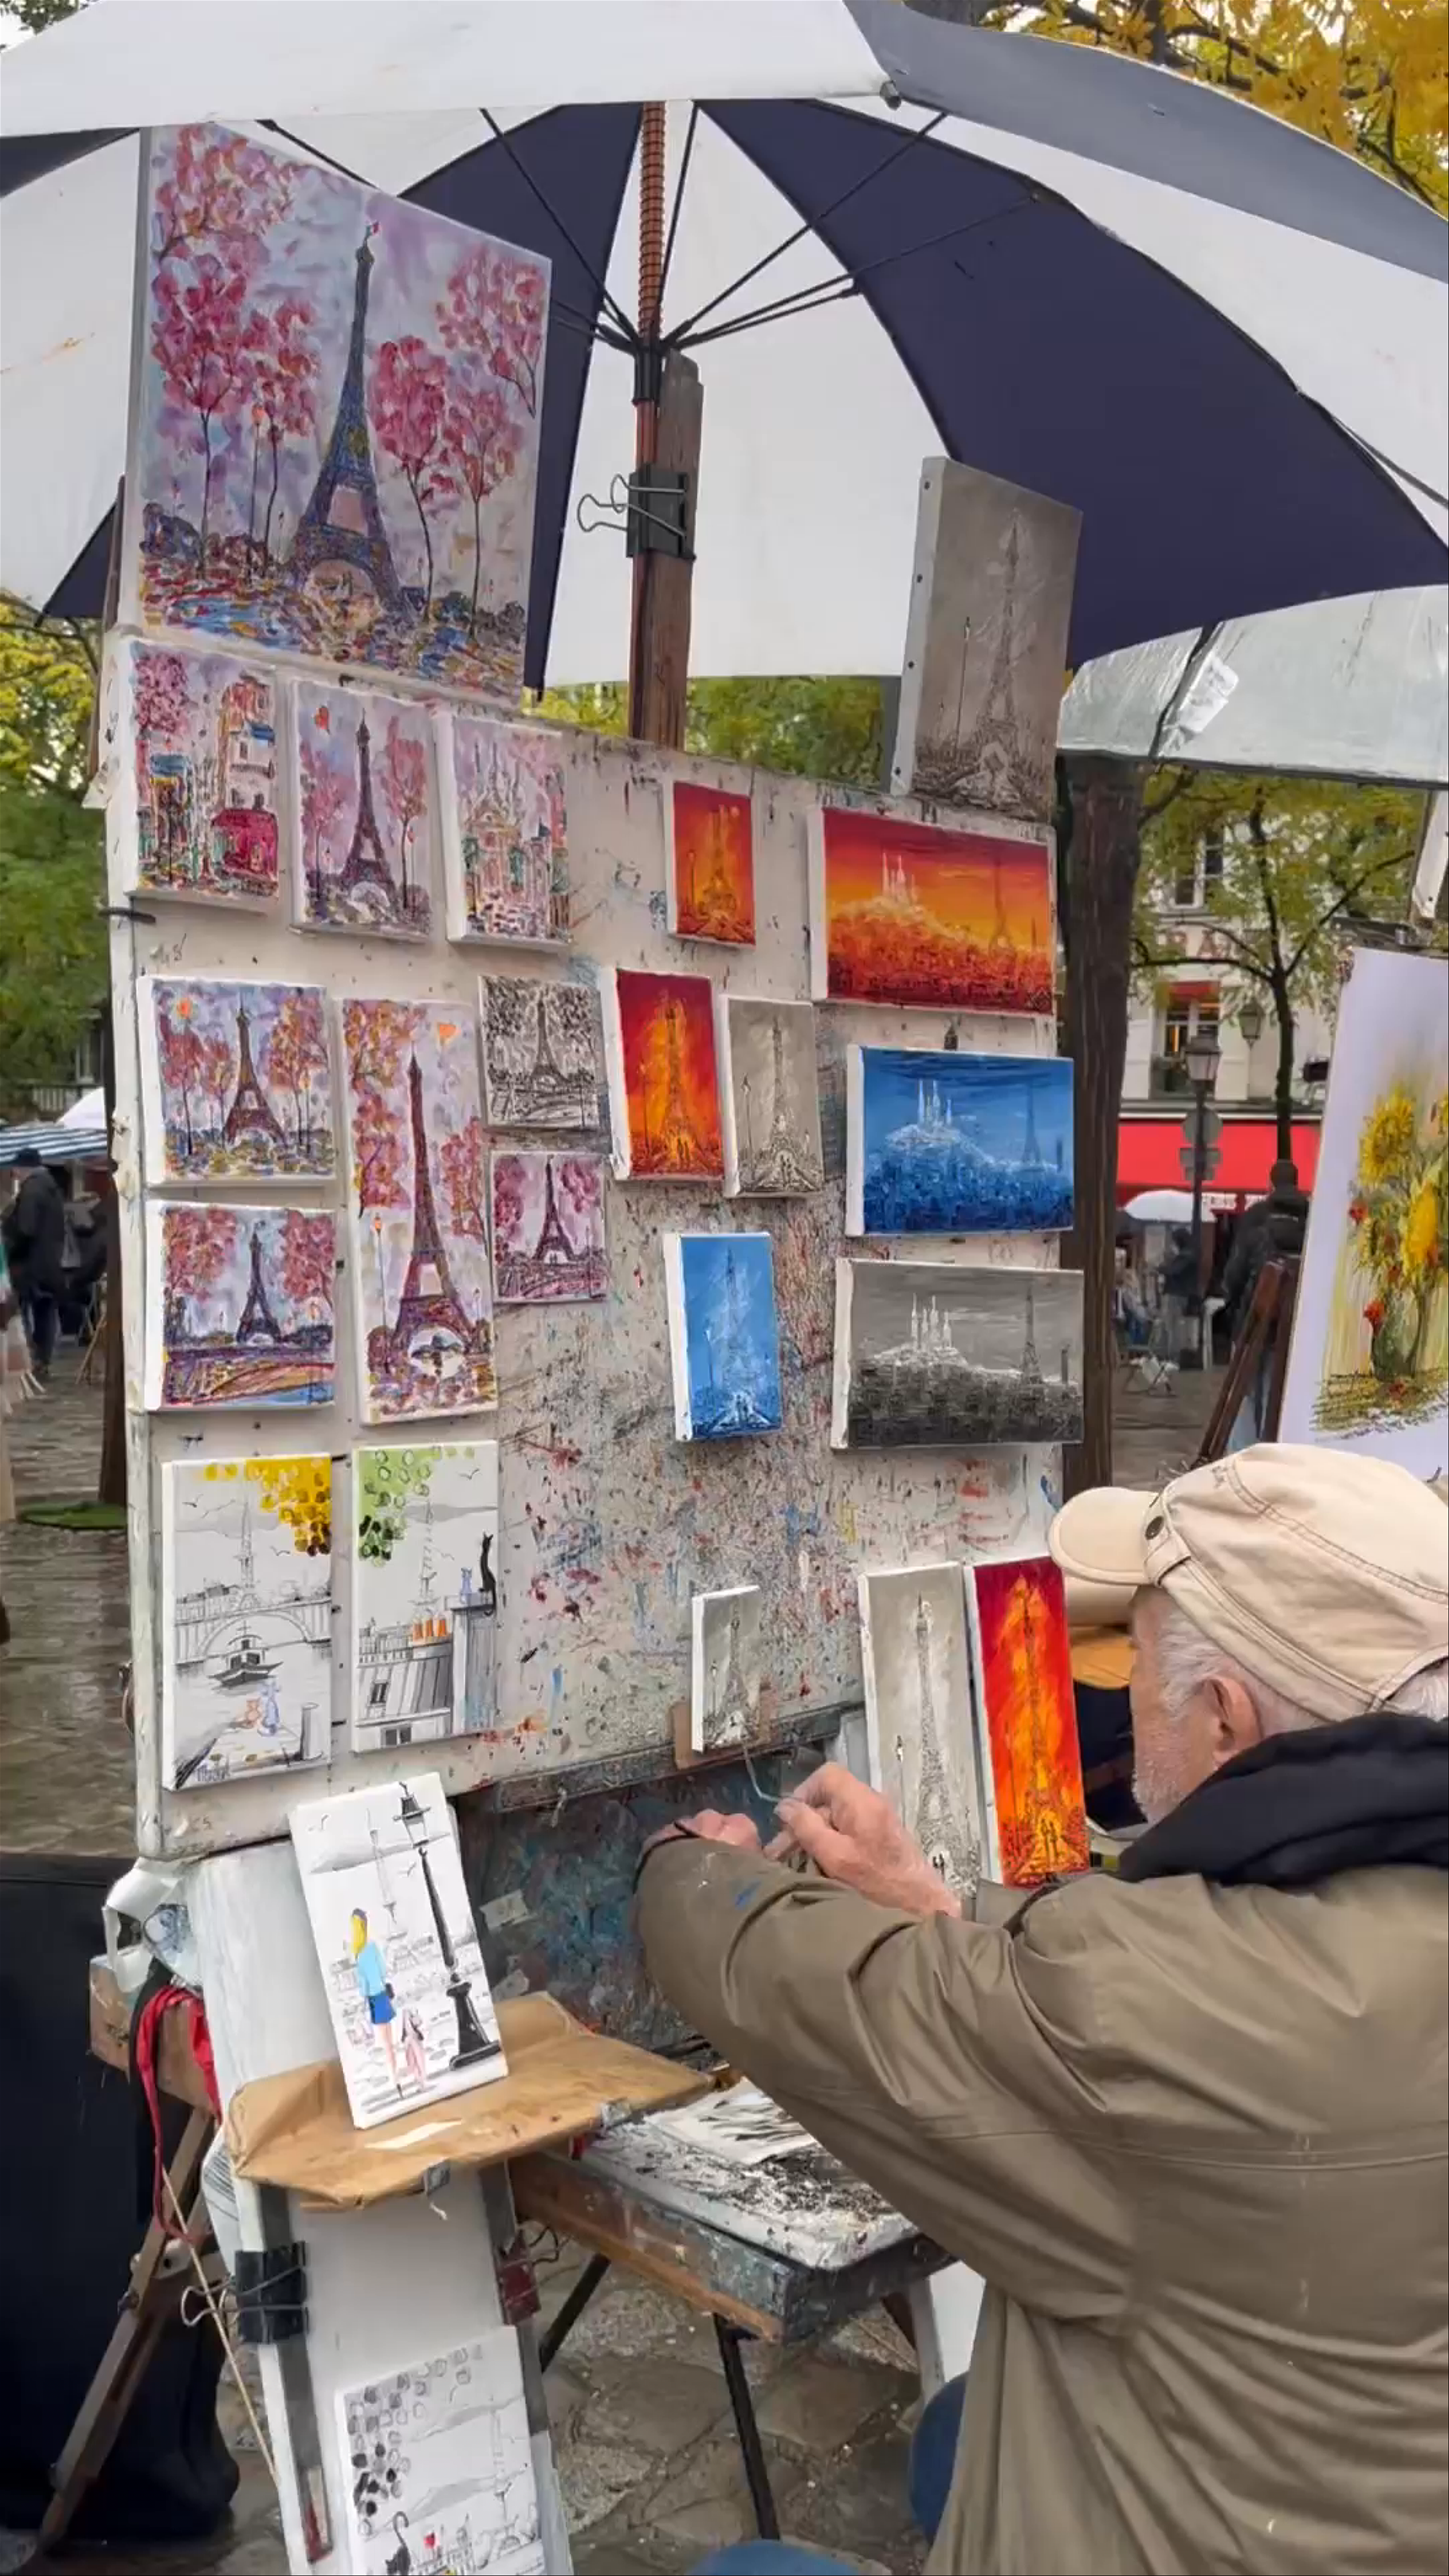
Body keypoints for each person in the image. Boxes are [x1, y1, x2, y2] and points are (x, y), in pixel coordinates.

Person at [639, 1446, 1448, 2576]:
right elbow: (1121, 1996)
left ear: (1224, 1722)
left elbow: (849, 2003)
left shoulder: (1167, 2005)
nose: (1120, 1700)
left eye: (1140, 1669)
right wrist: (928, 1900)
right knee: (957, 2431)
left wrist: (691, 1877)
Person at [1222, 1157, 1310, 1338]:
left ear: (1271, 1184)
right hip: (1300, 1322)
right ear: (1296, 1182)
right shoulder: (1312, 1216)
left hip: (1257, 1320)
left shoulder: (1255, 1217)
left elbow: (1235, 1275)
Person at [1, 1149, 66, 1380]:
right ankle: (42, 1361)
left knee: (20, 1312)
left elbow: (26, 1229)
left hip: (31, 1264)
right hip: (51, 1263)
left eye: (16, 1169)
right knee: (45, 1313)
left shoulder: (32, 1189)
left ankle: (27, 1361)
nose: (14, 1174)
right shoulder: (51, 1188)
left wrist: (9, 1246)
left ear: (23, 1168)